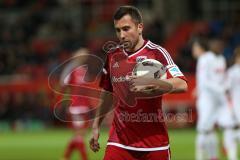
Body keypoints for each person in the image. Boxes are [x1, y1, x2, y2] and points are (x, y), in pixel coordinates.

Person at [89, 6, 188, 160]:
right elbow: (108, 92)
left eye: (126, 28)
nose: (121, 35)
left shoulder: (157, 53)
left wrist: (153, 83)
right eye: (118, 30)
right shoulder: (113, 55)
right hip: (119, 142)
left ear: (140, 27)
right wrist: (96, 125)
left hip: (155, 144)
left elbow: (182, 84)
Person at [192, 37, 236, 160]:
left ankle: (214, 156)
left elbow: (222, 78)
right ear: (211, 47)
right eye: (217, 45)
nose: (219, 47)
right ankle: (199, 157)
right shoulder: (205, 59)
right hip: (207, 100)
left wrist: (225, 87)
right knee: (204, 130)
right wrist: (220, 89)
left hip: (219, 99)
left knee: (223, 126)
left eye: (221, 46)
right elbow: (204, 81)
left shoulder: (221, 59)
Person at [60, 48, 91, 160]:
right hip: (76, 108)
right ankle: (84, 158)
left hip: (84, 107)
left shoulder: (83, 70)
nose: (84, 58)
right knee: (79, 135)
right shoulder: (71, 70)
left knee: (81, 134)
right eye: (82, 55)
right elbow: (63, 85)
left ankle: (65, 156)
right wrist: (66, 100)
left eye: (85, 56)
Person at [225, 46, 240, 160]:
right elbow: (226, 91)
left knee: (230, 136)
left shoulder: (232, 72)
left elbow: (226, 91)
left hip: (235, 108)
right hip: (235, 108)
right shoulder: (232, 72)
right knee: (230, 135)